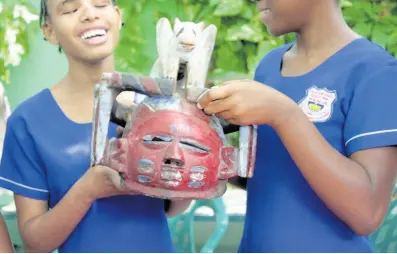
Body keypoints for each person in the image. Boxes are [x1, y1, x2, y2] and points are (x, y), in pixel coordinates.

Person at [198, 0, 397, 252]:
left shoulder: (375, 71)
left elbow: (367, 213)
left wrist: (287, 116)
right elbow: (273, 177)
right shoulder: (269, 66)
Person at [0, 0, 191, 252]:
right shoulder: (29, 122)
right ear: (49, 31)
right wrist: (89, 190)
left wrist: (186, 172)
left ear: (117, 15)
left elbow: (170, 207)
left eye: (100, 4)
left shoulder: (157, 104)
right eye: (70, 9)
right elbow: (35, 244)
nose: (90, 14)